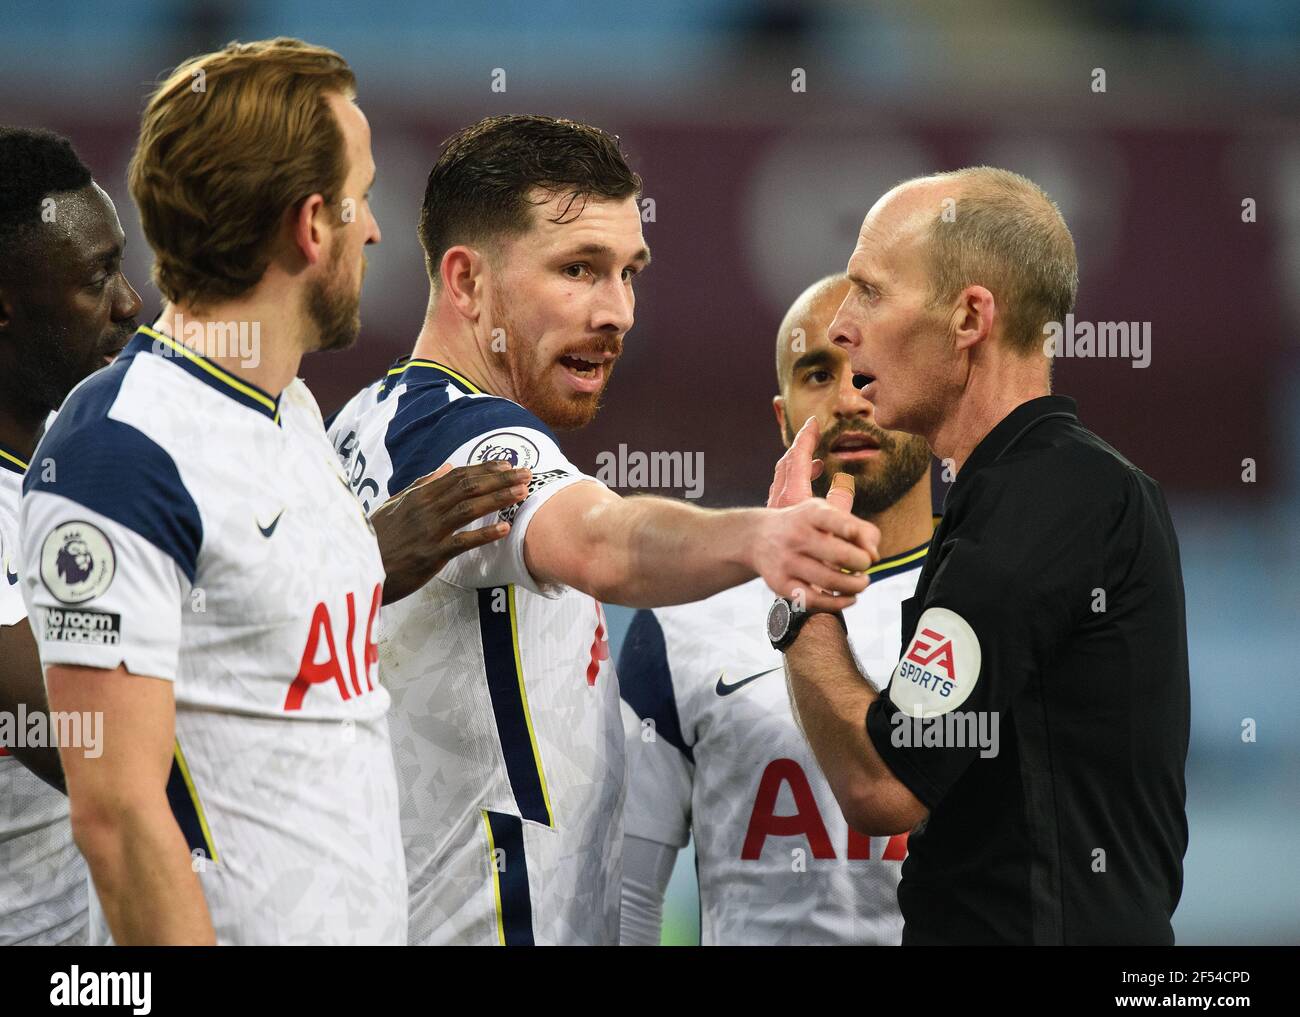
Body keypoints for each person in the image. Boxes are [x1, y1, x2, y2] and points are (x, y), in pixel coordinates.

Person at [17, 39, 526, 946]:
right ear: (309, 224)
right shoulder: (119, 449)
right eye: (361, 198)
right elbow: (119, 820)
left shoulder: (288, 408)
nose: (373, 229)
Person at [327, 115, 878, 945]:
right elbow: (603, 541)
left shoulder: (358, 425)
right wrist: (762, 538)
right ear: (467, 282)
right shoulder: (473, 443)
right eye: (578, 269)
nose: (617, 311)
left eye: (629, 272)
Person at [773, 166, 1190, 944]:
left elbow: (884, 783)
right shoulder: (1046, 490)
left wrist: (801, 599)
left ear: (969, 317)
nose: (839, 325)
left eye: (869, 290)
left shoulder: (1036, 505)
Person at [617, 273, 936, 945]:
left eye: (875, 366)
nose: (851, 396)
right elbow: (625, 899)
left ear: (931, 393)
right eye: (818, 373)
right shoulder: (683, 618)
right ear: (783, 414)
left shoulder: (1008, 593)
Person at [0, 126, 143, 944]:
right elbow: (97, 756)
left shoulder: (73, 455)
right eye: (96, 276)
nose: (130, 302)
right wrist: (353, 581)